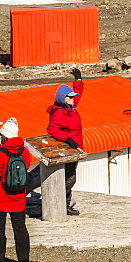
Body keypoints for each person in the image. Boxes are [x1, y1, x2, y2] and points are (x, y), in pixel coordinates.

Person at [0, 117, 33, 262]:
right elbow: (27, 165)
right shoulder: (24, 151)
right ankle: (23, 259)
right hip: (18, 197)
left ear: (4, 136)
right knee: (20, 228)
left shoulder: (0, 154)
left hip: (0, 196)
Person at [46, 70, 84, 214]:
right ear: (63, 98)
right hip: (68, 149)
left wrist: (78, 80)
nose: (73, 99)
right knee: (69, 178)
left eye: (72, 97)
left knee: (70, 177)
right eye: (70, 97)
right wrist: (67, 139)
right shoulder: (59, 112)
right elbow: (52, 129)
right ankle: (62, 205)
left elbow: (78, 94)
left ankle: (64, 204)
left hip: (75, 148)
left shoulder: (69, 107)